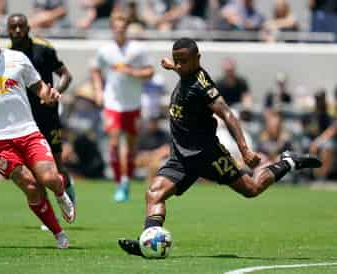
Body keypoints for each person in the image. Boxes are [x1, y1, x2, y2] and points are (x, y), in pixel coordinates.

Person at [117, 38, 322, 257]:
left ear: (198, 59)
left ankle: (289, 161)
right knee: (154, 194)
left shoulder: (203, 85)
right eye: (177, 61)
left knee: (251, 188)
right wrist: (172, 65)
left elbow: (227, 114)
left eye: (184, 61)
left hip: (208, 155)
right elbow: (183, 70)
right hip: (181, 156)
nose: (180, 65)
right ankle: (148, 242)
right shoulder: (185, 70)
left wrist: (244, 149)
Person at [0, 15, 75, 249]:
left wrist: (48, 95)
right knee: (31, 186)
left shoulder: (17, 59)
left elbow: (38, 86)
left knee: (50, 178)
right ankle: (59, 234)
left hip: (28, 132)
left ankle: (61, 193)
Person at [7, 13, 76, 206]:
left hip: (47, 116)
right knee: (33, 168)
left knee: (57, 165)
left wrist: (55, 92)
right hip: (23, 120)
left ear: (28, 28)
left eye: (21, 26)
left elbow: (66, 75)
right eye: (13, 27)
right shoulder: (6, 56)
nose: (18, 30)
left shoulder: (43, 49)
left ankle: (69, 199)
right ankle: (48, 213)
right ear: (8, 31)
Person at [91, 11, 154, 202]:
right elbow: (95, 69)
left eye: (123, 27)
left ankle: (127, 180)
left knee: (132, 146)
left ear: (127, 28)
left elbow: (150, 72)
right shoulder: (104, 50)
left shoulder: (138, 49)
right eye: (117, 27)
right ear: (112, 28)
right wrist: (98, 91)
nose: (120, 30)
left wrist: (132, 72)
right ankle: (120, 182)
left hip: (133, 103)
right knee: (114, 142)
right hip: (112, 103)